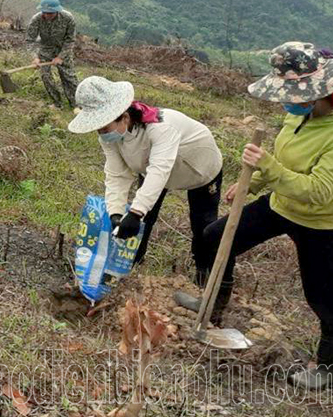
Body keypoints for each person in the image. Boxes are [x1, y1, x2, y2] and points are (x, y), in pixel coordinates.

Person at [177, 43, 333, 390]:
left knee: (326, 296)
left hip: (322, 222)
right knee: (214, 238)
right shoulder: (300, 113)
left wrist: (267, 167)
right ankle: (213, 301)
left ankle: (327, 365)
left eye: (292, 94)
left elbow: (318, 192)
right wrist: (255, 181)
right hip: (282, 204)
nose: (287, 101)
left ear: (319, 93)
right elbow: (287, 162)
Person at [68, 76, 223, 279]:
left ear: (124, 117)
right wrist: (116, 213)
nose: (101, 133)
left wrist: (136, 212)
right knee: (142, 221)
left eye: (104, 128)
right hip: (152, 171)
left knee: (203, 224)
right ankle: (130, 266)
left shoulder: (161, 127)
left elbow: (160, 169)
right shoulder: (110, 137)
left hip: (199, 169)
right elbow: (117, 174)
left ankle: (205, 275)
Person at [26, 0, 78, 109]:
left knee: (69, 77)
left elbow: (70, 40)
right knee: (46, 76)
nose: (47, 15)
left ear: (57, 11)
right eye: (45, 12)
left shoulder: (68, 18)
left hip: (63, 48)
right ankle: (57, 103)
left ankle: (76, 104)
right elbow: (30, 40)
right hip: (46, 49)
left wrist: (61, 57)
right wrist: (35, 57)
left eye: (51, 13)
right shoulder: (36, 19)